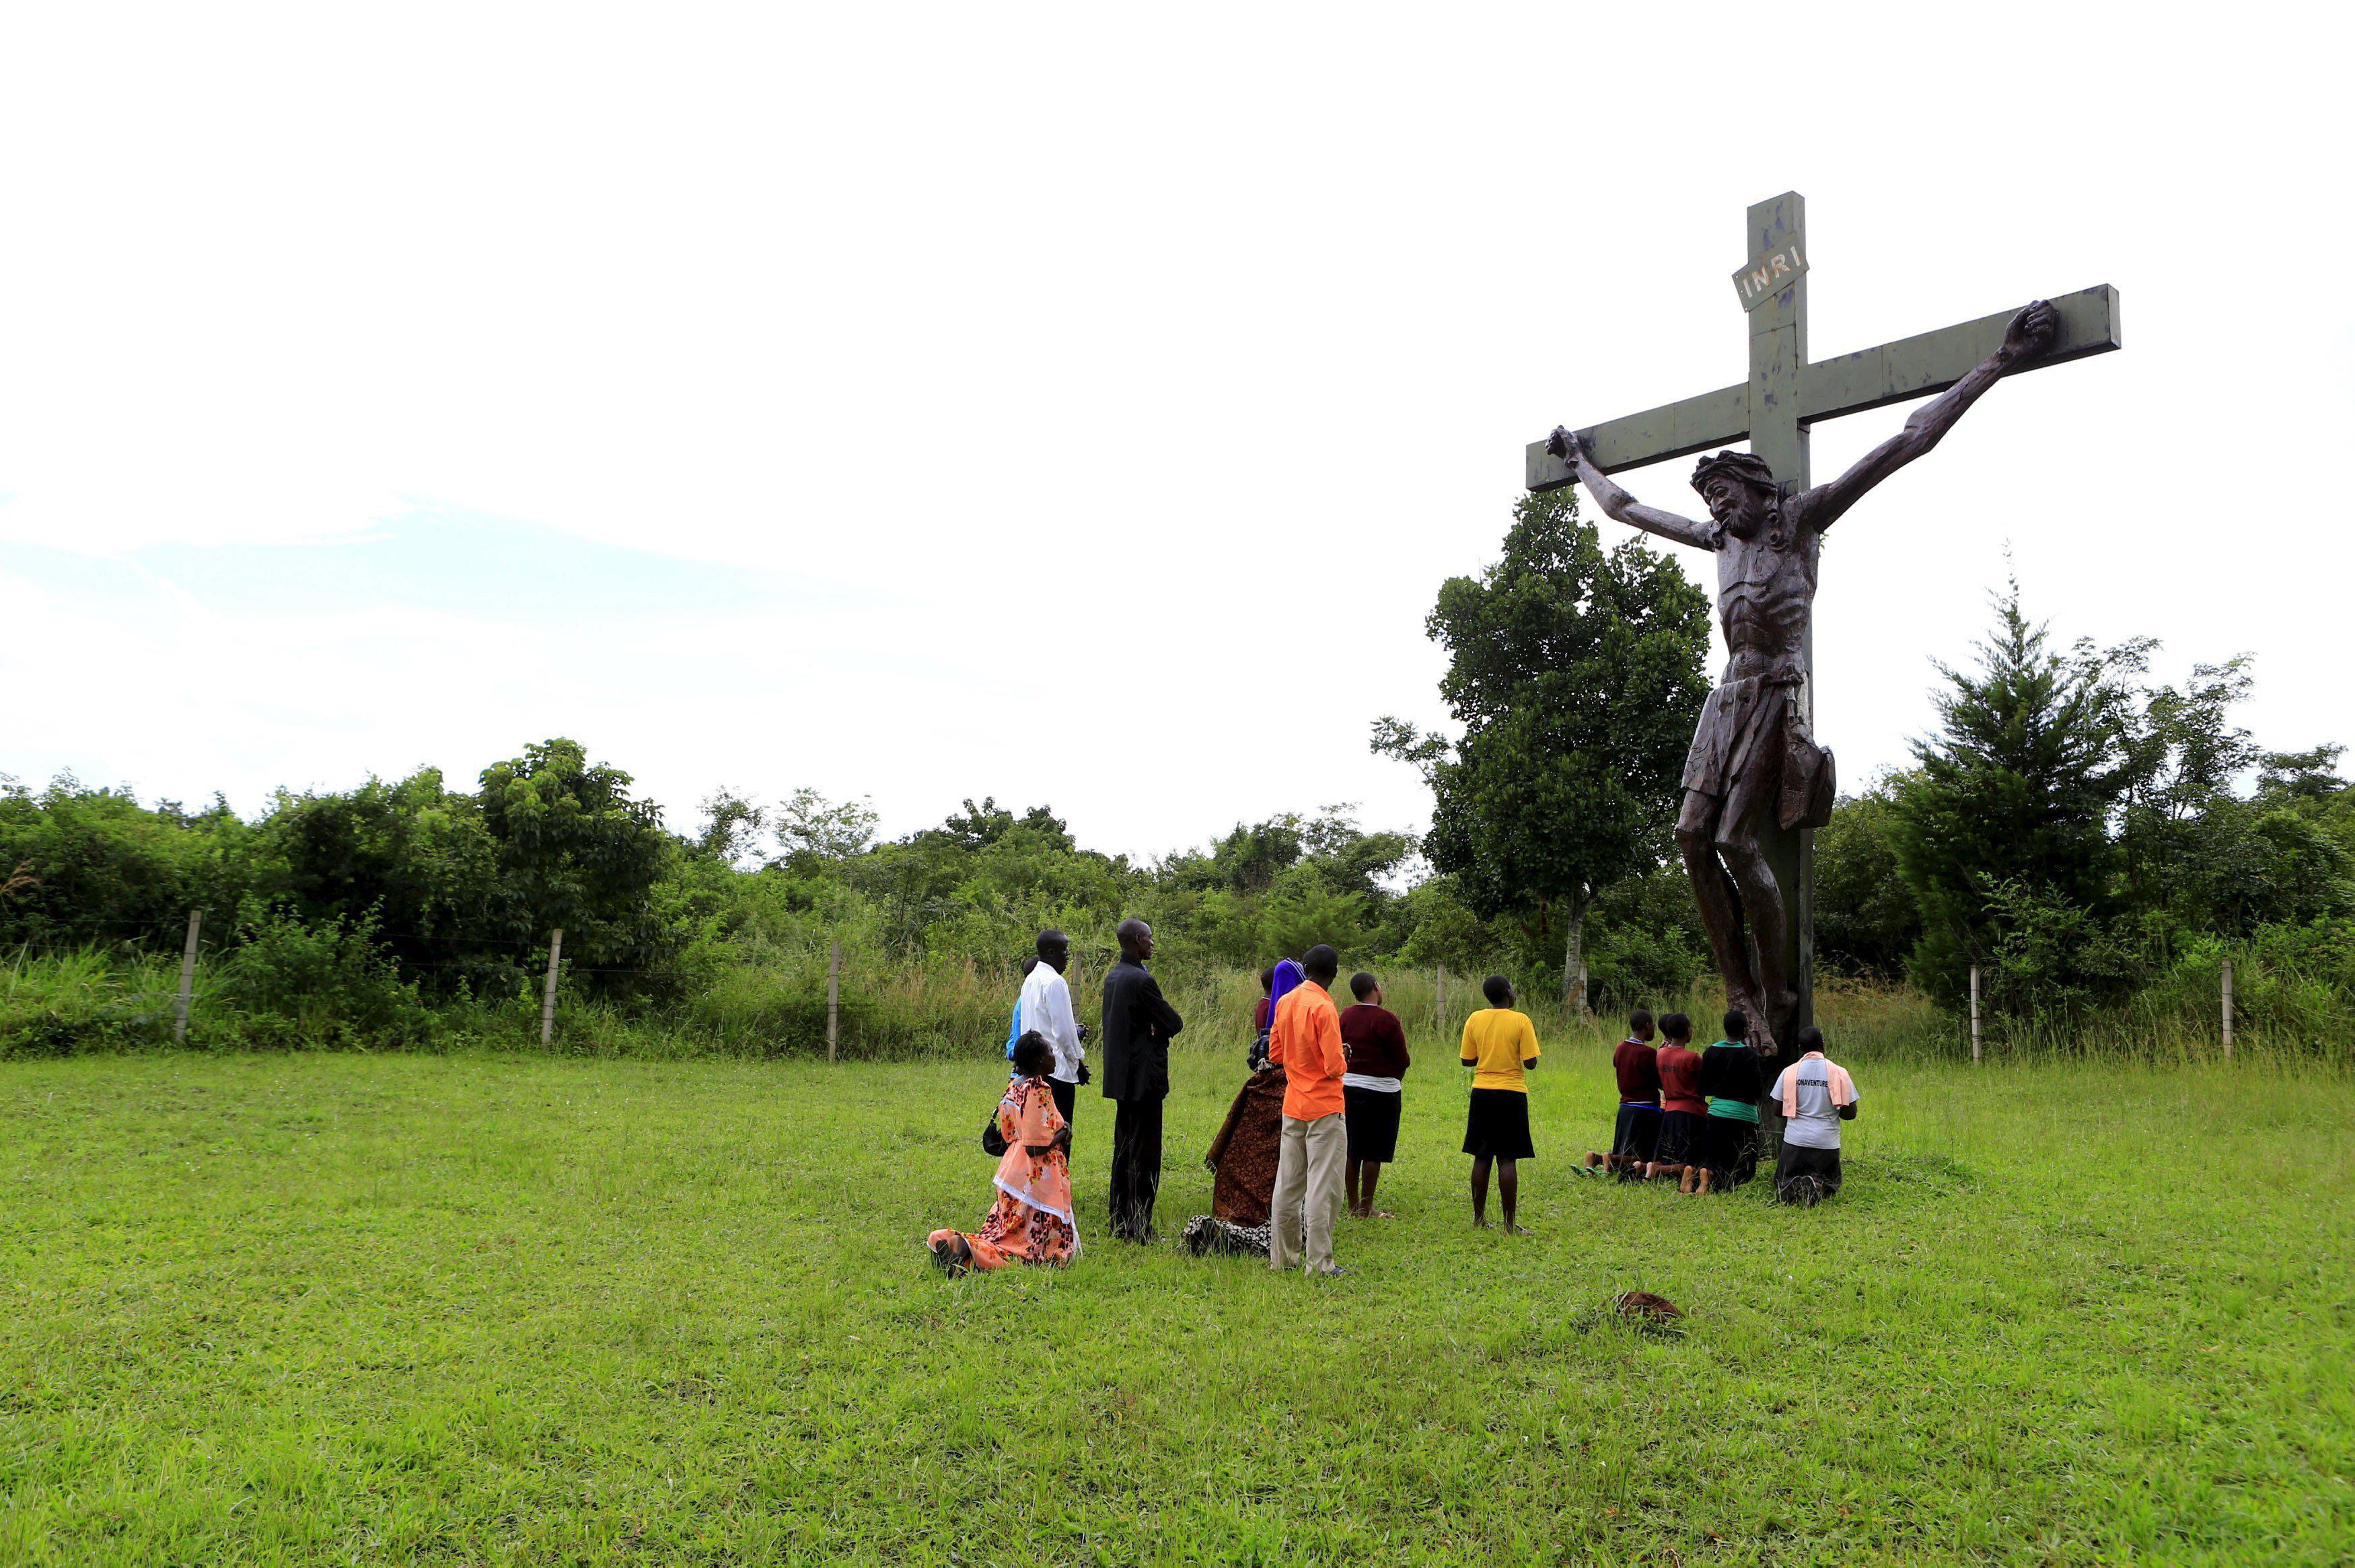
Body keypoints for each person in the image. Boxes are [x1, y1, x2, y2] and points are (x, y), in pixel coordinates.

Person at [929, 1031, 1078, 1275]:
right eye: (1050, 1052)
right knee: (1028, 1251)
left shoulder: (1014, 1086)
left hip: (1012, 1172)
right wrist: (1064, 1133)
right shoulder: (1039, 1089)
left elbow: (1011, 1135)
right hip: (1036, 1178)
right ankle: (971, 1251)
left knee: (1006, 1234)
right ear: (1039, 1061)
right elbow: (1035, 1147)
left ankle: (953, 1246)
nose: (1054, 1057)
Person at [1267, 944, 1350, 1276]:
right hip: (1325, 1107)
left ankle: (1283, 1259)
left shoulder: (1286, 1000)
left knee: (1288, 1186)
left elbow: (1275, 1052)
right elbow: (1333, 1066)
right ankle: (1320, 1264)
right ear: (1334, 974)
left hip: (1294, 1104)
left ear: (1304, 968)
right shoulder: (1324, 1007)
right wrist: (1343, 1056)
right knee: (1322, 1186)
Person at [1099, 918, 1183, 1242]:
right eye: (1149, 938)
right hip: (1145, 1081)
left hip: (1122, 1080)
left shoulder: (1114, 977)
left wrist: (1153, 1026)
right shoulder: (1141, 980)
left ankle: (1119, 1220)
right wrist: (1157, 1028)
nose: (1152, 943)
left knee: (1123, 1150)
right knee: (1146, 1155)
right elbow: (1173, 1022)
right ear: (1136, 940)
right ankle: (1139, 1227)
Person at [1184, 1035, 1288, 1259]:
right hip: (1270, 1194)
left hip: (1234, 1182)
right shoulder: (1291, 1087)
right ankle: (1232, 1236)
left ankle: (1222, 1232)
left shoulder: (1254, 1085)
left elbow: (1230, 1126)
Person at [1459, 975, 1539, 1233]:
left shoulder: (1475, 1018)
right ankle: (1509, 1224)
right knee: (1507, 1159)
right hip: (1512, 1094)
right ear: (1508, 992)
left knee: (1482, 1157)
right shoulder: (1521, 1020)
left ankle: (1479, 1219)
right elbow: (1531, 1062)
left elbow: (1467, 1060)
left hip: (1482, 1092)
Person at [1340, 971, 1410, 1218]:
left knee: (1352, 1149)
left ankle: (1351, 1205)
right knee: (1374, 1151)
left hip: (1348, 1088)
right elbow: (1402, 1059)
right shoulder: (1388, 1020)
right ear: (1375, 988)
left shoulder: (1345, 1015)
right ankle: (1367, 1208)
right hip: (1382, 1092)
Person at [1769, 1026, 1858, 1205]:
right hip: (1826, 1145)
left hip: (1795, 1143)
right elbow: (1850, 1114)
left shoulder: (1789, 1072)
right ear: (1823, 1045)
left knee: (1782, 1180)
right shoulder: (1839, 1073)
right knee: (1831, 1183)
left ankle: (1793, 1183)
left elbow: (1778, 1110)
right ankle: (1818, 1185)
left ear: (1801, 1048)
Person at [1013, 929, 1089, 1128]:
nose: (1068, 956)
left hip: (1035, 1069)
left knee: (1039, 1132)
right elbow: (1064, 1034)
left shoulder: (1031, 980)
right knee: (1059, 1132)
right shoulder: (1055, 982)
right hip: (1056, 1070)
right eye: (1065, 951)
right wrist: (1077, 1063)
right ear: (1051, 952)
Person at [1694, 1008, 1768, 1193]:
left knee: (1716, 1157)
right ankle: (1724, 1184)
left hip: (1716, 1112)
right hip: (1744, 1116)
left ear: (1725, 1029)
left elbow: (1702, 1087)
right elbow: (1757, 1090)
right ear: (1745, 1031)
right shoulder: (1749, 1055)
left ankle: (1708, 1174)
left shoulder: (1711, 1051)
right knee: (1743, 1167)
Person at [1581, 1007, 1659, 1181]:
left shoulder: (1620, 1048)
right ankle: (1610, 1158)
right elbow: (1660, 1082)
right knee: (1647, 1157)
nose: (1654, 1029)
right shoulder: (1649, 1053)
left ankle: (1596, 1158)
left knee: (1626, 1150)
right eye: (1653, 1025)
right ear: (1647, 1026)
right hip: (1646, 1110)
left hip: (1625, 1107)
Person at [1644, 1012, 1709, 1194]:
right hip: (1692, 1111)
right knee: (1692, 1156)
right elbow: (1704, 1085)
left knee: (1670, 1153)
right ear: (1688, 1031)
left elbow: (1658, 1081)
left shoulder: (1661, 1054)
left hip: (1670, 1110)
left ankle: (1654, 1167)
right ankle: (1660, 1170)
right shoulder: (1693, 1058)